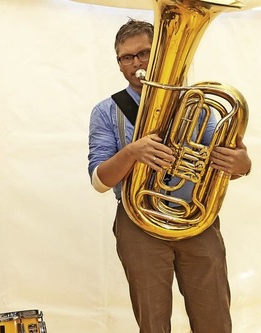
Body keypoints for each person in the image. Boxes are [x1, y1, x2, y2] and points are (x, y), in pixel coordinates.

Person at [87, 19, 252, 333]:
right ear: (119, 63)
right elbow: (99, 180)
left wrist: (241, 164)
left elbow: (221, 161)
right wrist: (132, 152)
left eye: (145, 53)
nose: (137, 63)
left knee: (214, 317)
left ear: (160, 55)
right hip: (138, 223)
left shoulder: (195, 103)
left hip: (196, 220)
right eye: (127, 57)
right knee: (153, 322)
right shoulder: (106, 111)